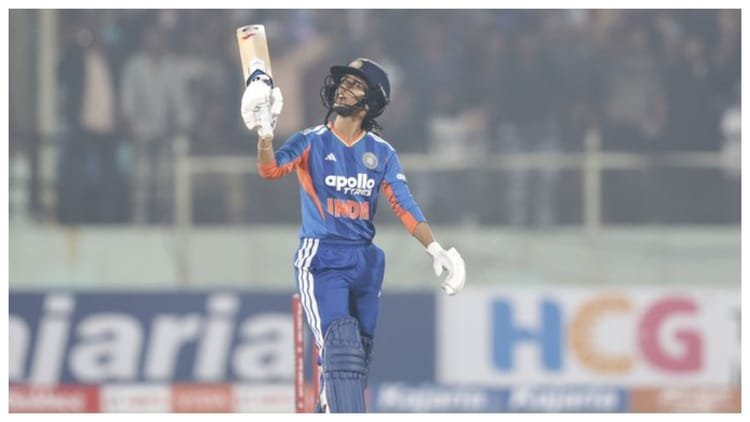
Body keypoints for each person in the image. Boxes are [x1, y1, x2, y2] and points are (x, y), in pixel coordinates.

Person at [240, 58, 466, 412]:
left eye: (355, 84)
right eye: (343, 81)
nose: (343, 88)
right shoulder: (310, 141)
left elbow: (403, 203)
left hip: (365, 261)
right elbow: (270, 169)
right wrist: (265, 136)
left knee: (357, 358)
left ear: (371, 101)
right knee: (340, 347)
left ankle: (328, 403)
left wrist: (436, 249)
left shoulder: (382, 152)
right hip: (322, 259)